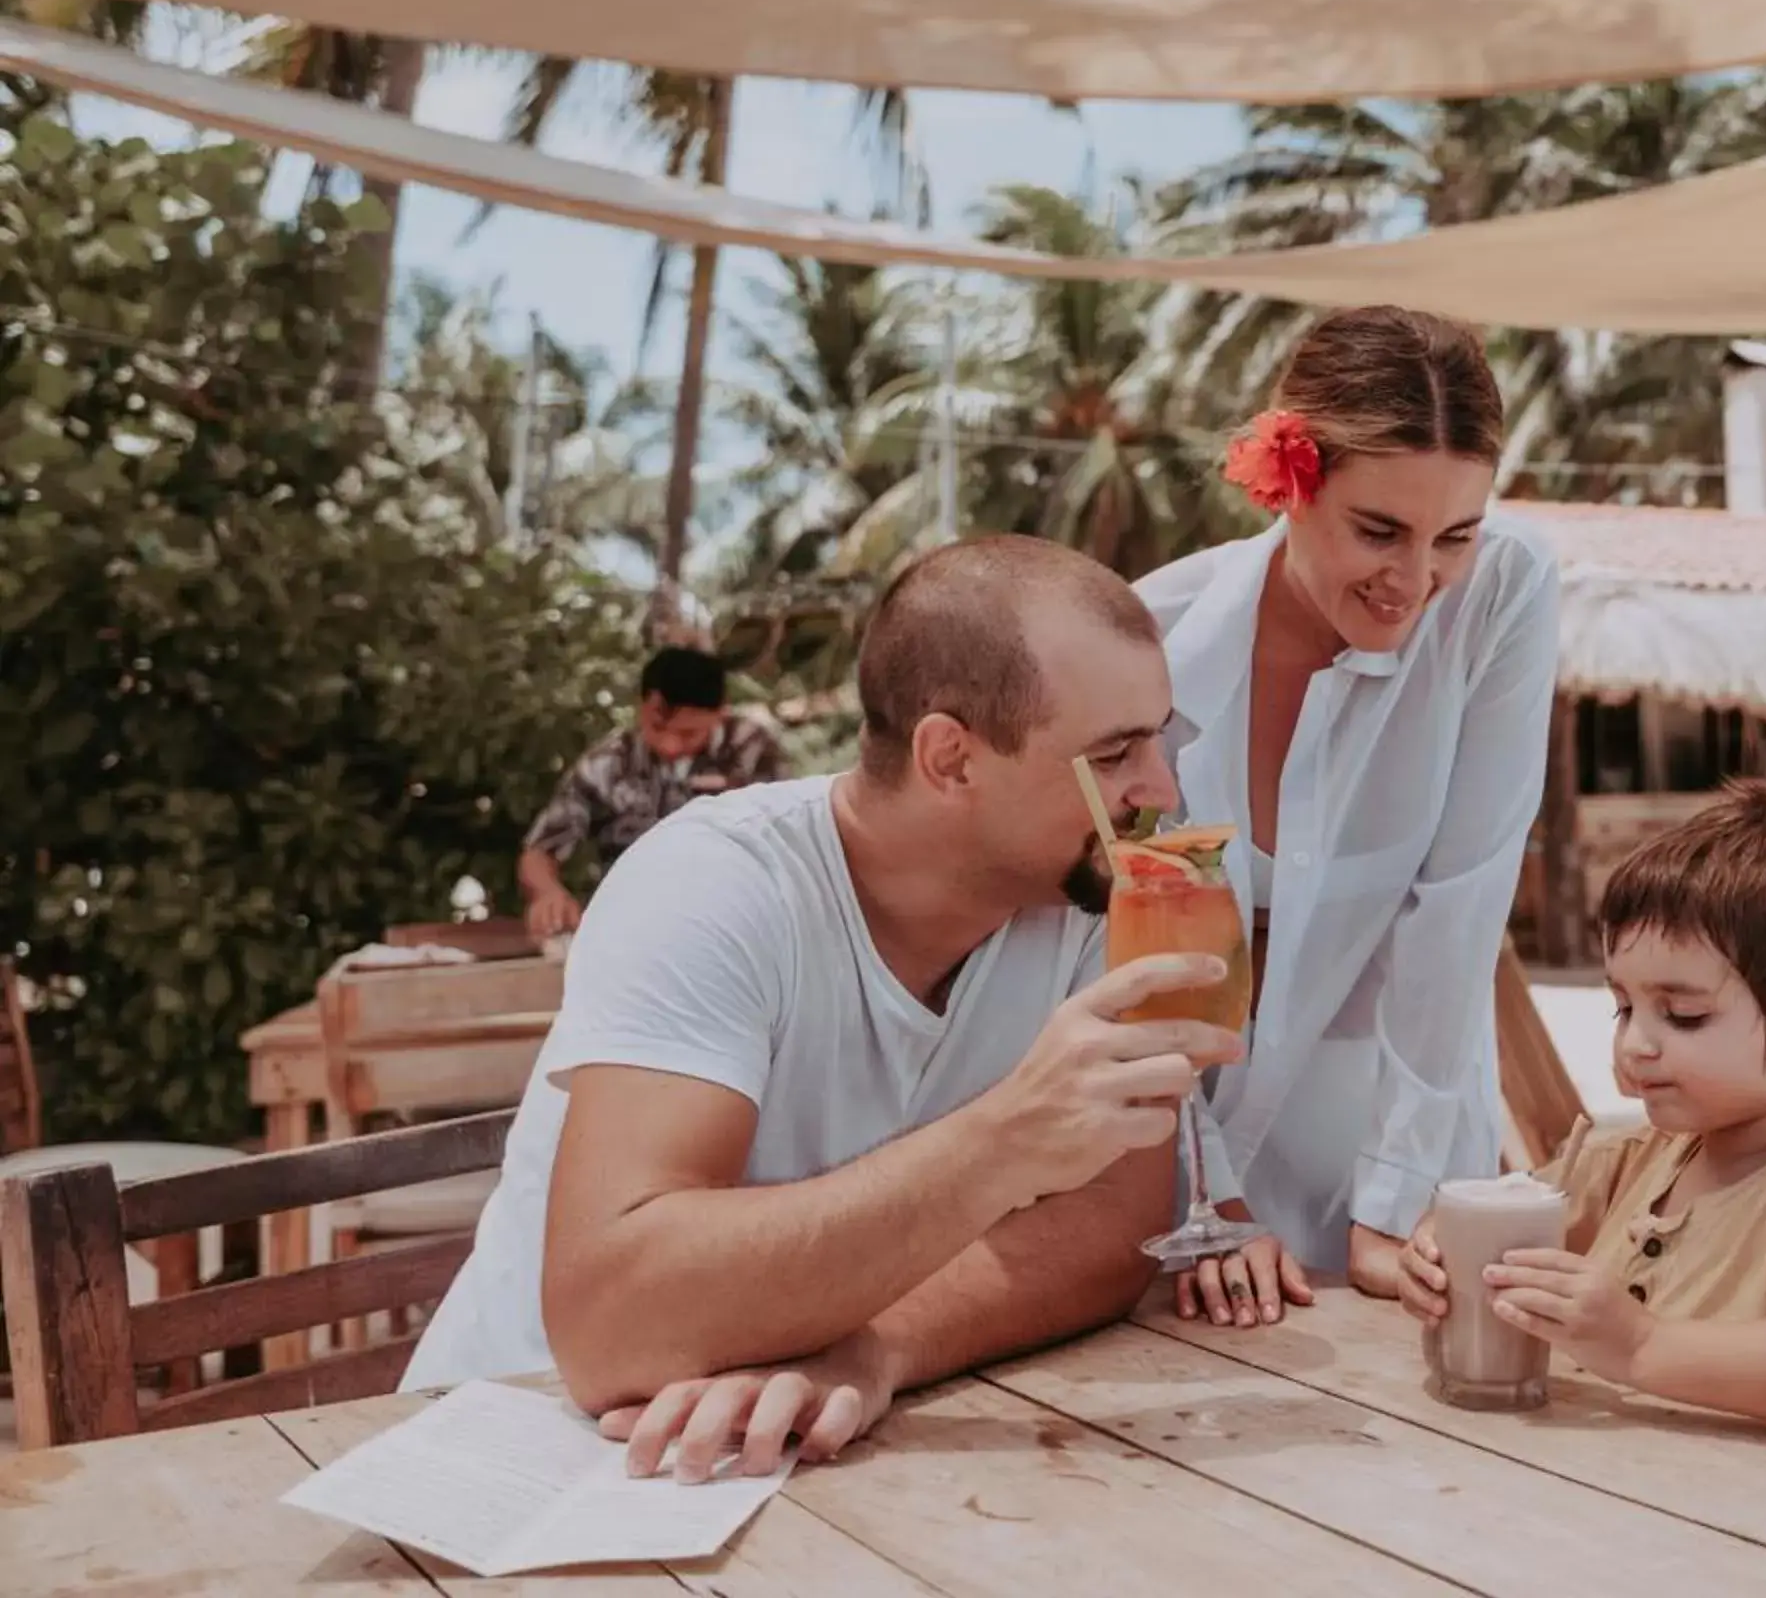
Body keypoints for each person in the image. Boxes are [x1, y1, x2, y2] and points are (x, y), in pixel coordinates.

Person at [405, 537, 1244, 1487]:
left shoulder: (1080, 895)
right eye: (1115, 753)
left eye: (1159, 740)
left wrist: (876, 1346)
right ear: (951, 758)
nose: (1162, 792)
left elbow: (1110, 1234)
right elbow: (610, 1328)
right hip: (528, 1454)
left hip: (802, 1468)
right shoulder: (715, 885)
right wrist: (1006, 1142)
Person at [1135, 306, 1558, 1326]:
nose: (1415, 581)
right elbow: (1134, 965)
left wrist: (1397, 1195)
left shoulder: (1500, 595)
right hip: (1186, 1142)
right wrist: (1205, 1193)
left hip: (1403, 1128)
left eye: (1454, 533)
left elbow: (1459, 906)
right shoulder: (1150, 642)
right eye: (1380, 530)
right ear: (1290, 478)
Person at [1397, 783, 1766, 1429]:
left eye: (1683, 1015)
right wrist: (1434, 1251)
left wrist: (1642, 1344)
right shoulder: (1619, 1161)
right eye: (1623, 1007)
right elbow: (1491, 1225)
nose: (1633, 1043)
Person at [518, 647, 785, 939]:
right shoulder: (608, 763)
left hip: (734, 923)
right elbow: (540, 850)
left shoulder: (751, 750)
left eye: (688, 734)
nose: (670, 746)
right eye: (657, 727)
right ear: (641, 706)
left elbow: (786, 838)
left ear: (720, 712)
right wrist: (547, 894)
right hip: (632, 927)